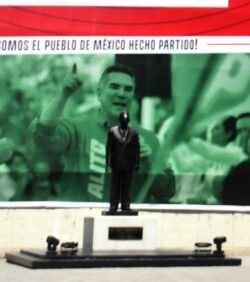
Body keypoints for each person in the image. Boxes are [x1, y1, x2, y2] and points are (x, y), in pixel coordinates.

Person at [31, 63, 173, 204]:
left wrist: (148, 164)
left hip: (127, 218)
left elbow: (167, 191)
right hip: (80, 217)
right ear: (99, 94)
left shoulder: (148, 138)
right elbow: (44, 130)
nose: (122, 94)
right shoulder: (78, 127)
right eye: (114, 87)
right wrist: (64, 94)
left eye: (128, 89)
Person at [106, 111, 140, 213]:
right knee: (115, 185)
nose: (125, 121)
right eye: (123, 119)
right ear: (120, 120)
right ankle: (113, 205)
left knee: (127, 186)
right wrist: (108, 161)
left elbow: (136, 148)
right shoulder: (113, 131)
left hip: (129, 163)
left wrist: (137, 162)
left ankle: (126, 205)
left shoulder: (133, 132)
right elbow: (109, 147)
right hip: (116, 163)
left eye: (126, 119)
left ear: (128, 120)